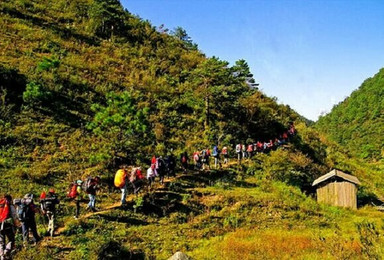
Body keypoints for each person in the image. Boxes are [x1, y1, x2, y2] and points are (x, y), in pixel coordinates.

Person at [0, 194, 19, 259]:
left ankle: (2, 256)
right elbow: (14, 216)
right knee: (11, 239)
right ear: (10, 199)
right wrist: (17, 225)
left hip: (0, 224)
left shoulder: (0, 205)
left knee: (1, 242)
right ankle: (6, 251)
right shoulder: (10, 206)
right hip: (7, 224)